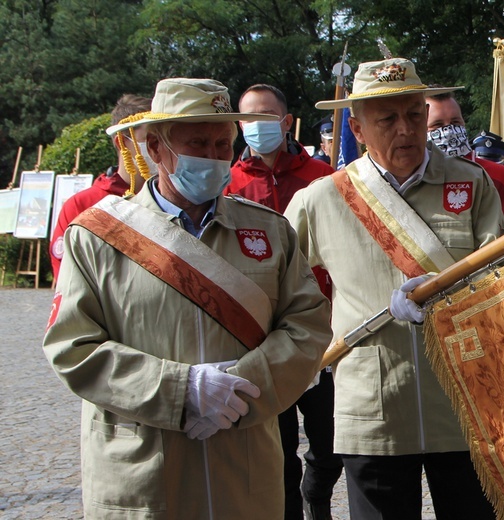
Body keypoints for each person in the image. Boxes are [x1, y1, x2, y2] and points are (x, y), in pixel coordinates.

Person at [43, 77, 332, 519]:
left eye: (223, 144)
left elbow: (308, 324)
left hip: (244, 462)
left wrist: (241, 388)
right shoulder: (96, 236)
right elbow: (72, 346)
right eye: (198, 143)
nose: (215, 157)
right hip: (145, 470)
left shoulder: (271, 231)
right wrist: (183, 392)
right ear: (155, 148)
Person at [285, 57, 504, 520]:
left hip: (464, 401)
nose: (405, 129)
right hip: (373, 405)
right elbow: (280, 292)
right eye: (387, 119)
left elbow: (502, 273)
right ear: (359, 130)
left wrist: (454, 290)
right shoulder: (321, 199)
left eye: (413, 114)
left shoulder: (470, 181)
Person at [228, 83, 342, 520]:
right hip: (258, 340)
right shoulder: (229, 184)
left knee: (331, 446)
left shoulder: (322, 177)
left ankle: (318, 495)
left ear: (287, 121)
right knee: (277, 449)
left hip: (321, 335)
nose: (258, 126)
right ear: (239, 125)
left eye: (267, 116)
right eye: (249, 118)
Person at [49, 94, 154, 280]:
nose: (159, 147)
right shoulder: (82, 206)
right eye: (150, 138)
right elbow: (68, 284)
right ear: (121, 142)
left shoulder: (179, 201)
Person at [425, 92, 504, 231]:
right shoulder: (413, 179)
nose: (449, 130)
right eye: (437, 125)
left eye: (455, 122)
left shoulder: (500, 176)